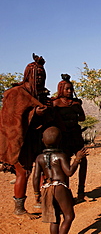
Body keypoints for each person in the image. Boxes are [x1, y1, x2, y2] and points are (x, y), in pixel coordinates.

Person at [0, 53, 52, 218]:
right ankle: (19, 209)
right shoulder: (16, 93)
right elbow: (11, 119)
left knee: (41, 170)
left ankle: (43, 201)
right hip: (18, 140)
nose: (39, 79)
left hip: (33, 139)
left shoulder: (39, 95)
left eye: (42, 75)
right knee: (22, 172)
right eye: (36, 75)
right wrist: (34, 112)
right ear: (28, 75)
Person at [33, 126, 88, 234]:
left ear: (43, 140)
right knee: (69, 216)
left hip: (46, 188)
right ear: (60, 140)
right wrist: (77, 159)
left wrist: (37, 194)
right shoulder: (61, 156)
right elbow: (69, 172)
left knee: (54, 218)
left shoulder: (39, 158)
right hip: (59, 188)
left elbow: (35, 177)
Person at [52, 74, 87, 202]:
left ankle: (81, 192)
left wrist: (74, 117)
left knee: (83, 161)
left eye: (71, 89)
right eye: (67, 89)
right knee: (65, 165)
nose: (69, 91)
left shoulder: (76, 103)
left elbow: (82, 117)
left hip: (76, 136)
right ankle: (66, 194)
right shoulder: (55, 103)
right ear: (61, 89)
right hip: (63, 138)